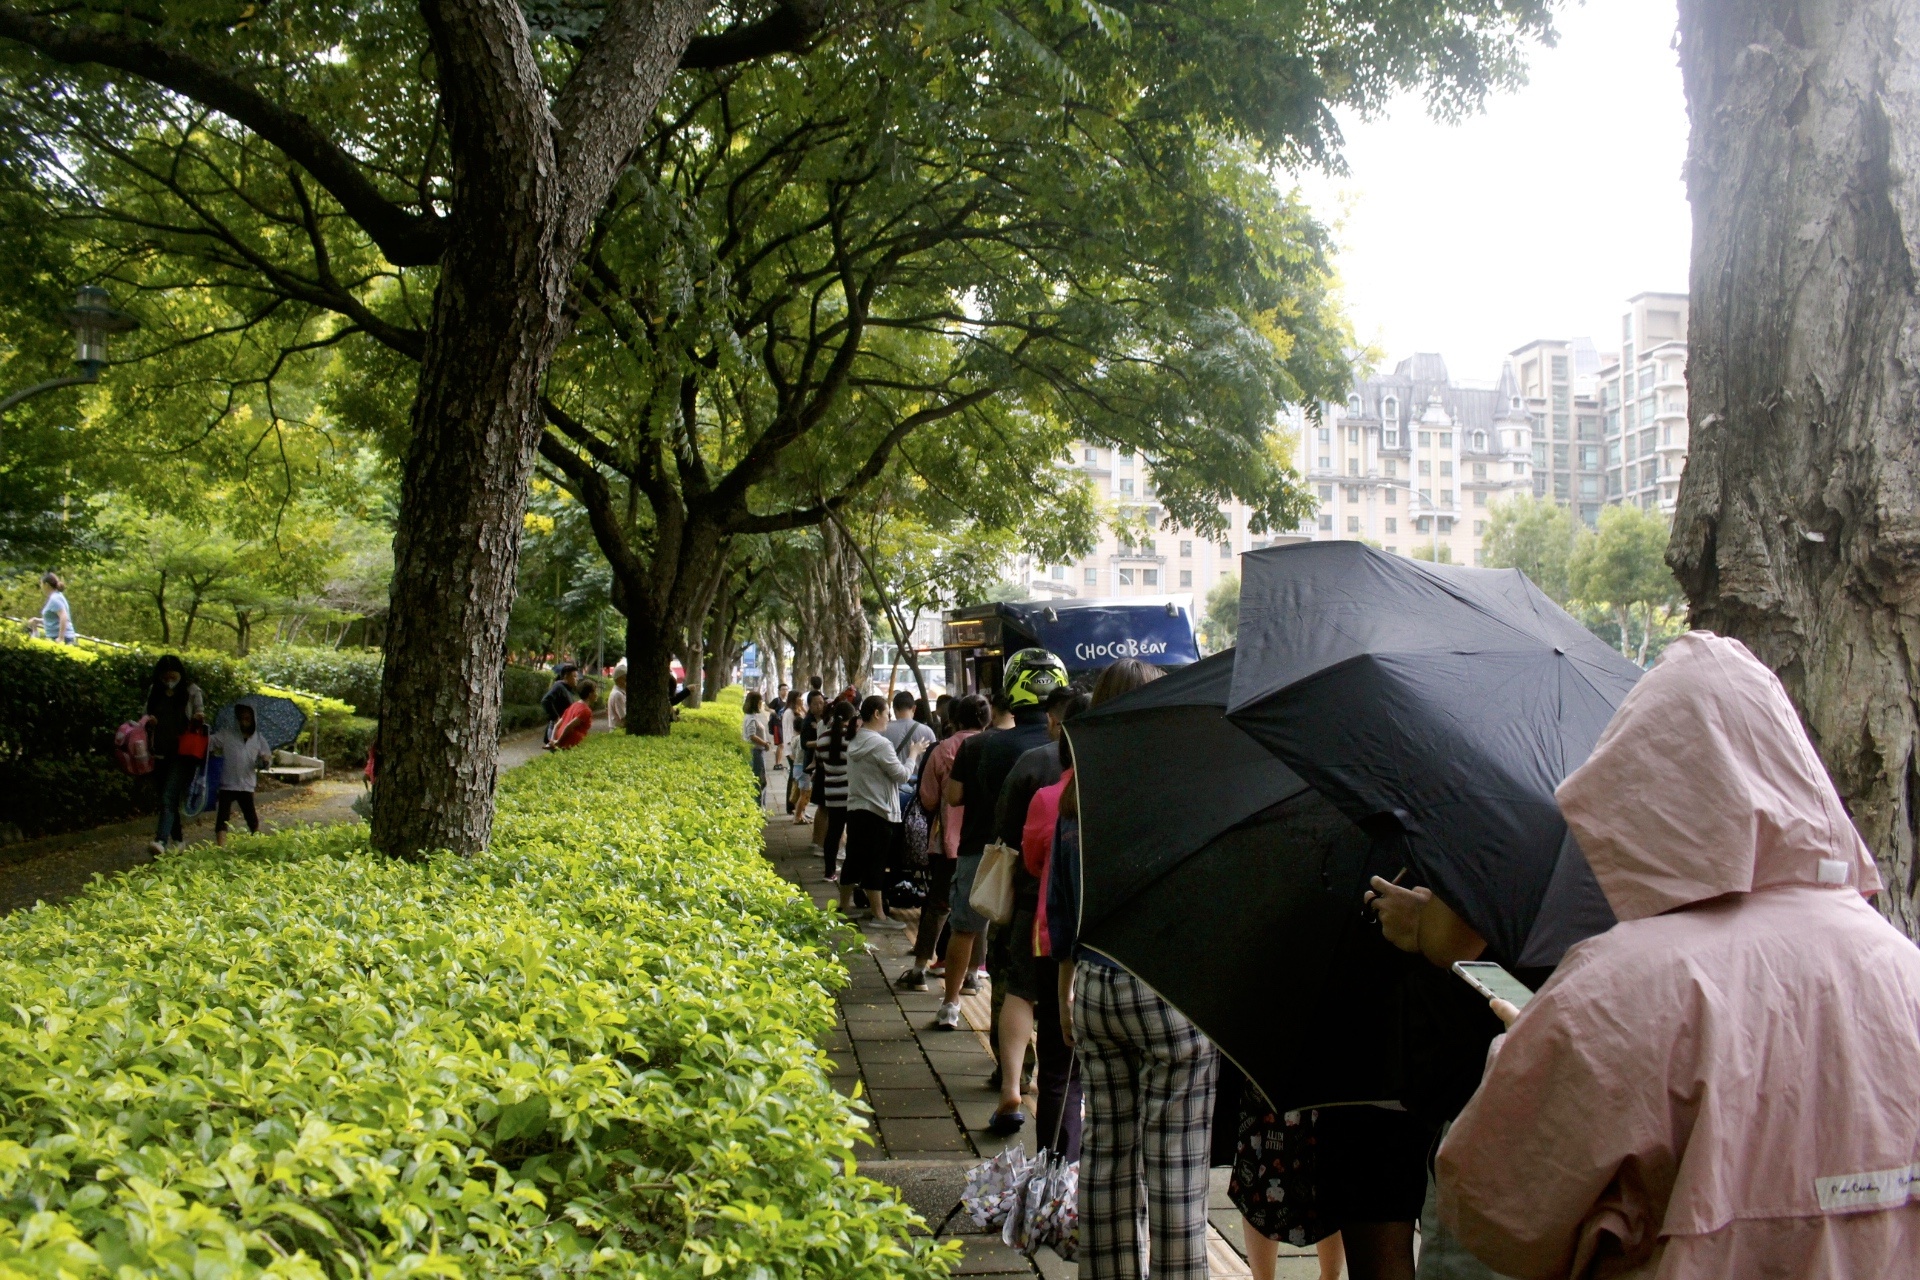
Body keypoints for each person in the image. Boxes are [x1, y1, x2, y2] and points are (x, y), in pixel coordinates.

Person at [1437, 632, 1920, 1279]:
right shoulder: (1901, 965)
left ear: (1638, 788)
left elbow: (1495, 1212)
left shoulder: (1617, 990)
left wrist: (1522, 1055)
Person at [1055, 656, 1222, 1280]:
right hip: (1169, 987)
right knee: (1174, 1167)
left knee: (1105, 1153)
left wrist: (1068, 987)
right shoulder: (1186, 788)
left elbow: (1061, 906)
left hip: (1096, 985)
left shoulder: (1077, 793)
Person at [933, 649, 1069, 1032]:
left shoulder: (978, 745)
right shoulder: (1067, 749)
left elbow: (955, 797)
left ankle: (951, 1003)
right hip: (1047, 866)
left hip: (986, 854)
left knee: (968, 929)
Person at [899, 693, 989, 991]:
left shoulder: (942, 750)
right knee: (982, 908)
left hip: (947, 841)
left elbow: (927, 798)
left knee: (938, 904)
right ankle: (973, 975)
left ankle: (919, 969)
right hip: (986, 844)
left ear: (954, 719)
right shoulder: (995, 747)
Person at [843, 694, 921, 928]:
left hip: (856, 808)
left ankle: (844, 907)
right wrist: (914, 753)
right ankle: (879, 916)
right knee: (876, 863)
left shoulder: (857, 741)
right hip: (878, 811)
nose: (889, 718)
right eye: (887, 713)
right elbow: (902, 775)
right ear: (876, 714)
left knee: (854, 860)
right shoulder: (880, 743)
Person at [144, 655, 205, 855]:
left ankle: (160, 841)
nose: (169, 679)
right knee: (167, 799)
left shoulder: (191, 691)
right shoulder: (155, 691)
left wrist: (197, 719)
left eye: (173, 675)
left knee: (168, 796)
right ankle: (178, 841)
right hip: (159, 751)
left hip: (182, 753)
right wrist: (149, 722)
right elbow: (144, 715)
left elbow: (200, 714)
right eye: (166, 676)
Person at [208, 703, 274, 846]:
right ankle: (221, 848)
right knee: (223, 817)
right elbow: (209, 743)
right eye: (242, 717)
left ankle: (259, 845)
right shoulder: (227, 734)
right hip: (228, 783)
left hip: (247, 784)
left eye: (247, 717)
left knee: (251, 817)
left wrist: (265, 761)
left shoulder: (259, 738)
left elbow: (267, 760)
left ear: (253, 719)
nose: (244, 720)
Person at [816, 700, 856, 880]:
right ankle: (851, 871)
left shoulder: (822, 739)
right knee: (853, 833)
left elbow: (820, 763)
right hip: (851, 792)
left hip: (831, 791)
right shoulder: (853, 738)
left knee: (833, 831)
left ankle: (829, 871)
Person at [882, 687, 936, 760]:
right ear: (914, 708)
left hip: (891, 771)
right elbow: (934, 759)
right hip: (919, 771)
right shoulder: (927, 731)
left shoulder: (883, 730)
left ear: (894, 709)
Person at [741, 690, 772, 806]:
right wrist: (764, 743)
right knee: (759, 781)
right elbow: (751, 735)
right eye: (760, 702)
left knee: (761, 780)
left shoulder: (753, 717)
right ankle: (758, 807)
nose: (761, 704)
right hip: (756, 752)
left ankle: (760, 806)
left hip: (758, 751)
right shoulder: (751, 719)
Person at [547, 679, 596, 750]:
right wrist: (558, 742)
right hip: (571, 745)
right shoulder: (586, 710)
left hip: (562, 742)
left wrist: (552, 741)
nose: (596, 694)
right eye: (595, 691)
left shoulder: (573, 705)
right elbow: (569, 726)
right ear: (590, 694)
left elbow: (557, 725)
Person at [541, 663, 579, 743]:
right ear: (566, 676)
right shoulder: (559, 687)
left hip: (564, 728)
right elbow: (546, 700)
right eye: (574, 676)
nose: (577, 679)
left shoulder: (568, 690)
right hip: (556, 729)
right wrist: (556, 718)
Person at [40, 572, 74, 644]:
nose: (41, 587)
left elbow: (63, 616)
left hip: (61, 637)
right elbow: (53, 620)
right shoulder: (56, 596)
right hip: (56, 636)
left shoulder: (55, 598)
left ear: (46, 585)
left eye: (41, 584)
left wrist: (60, 638)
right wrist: (37, 620)